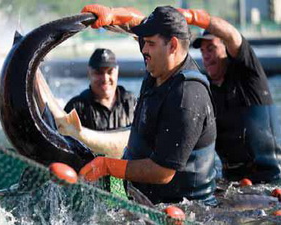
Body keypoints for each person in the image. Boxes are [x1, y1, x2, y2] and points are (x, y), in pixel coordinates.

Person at [42, 5, 217, 205]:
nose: (143, 49)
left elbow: (162, 172)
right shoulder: (160, 63)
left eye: (150, 43)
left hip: (179, 207)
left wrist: (107, 166)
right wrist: (112, 14)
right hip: (138, 192)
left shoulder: (187, 96)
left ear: (173, 46)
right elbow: (138, 23)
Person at [178, 8, 281, 183]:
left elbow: (233, 35)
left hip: (271, 177)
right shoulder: (206, 91)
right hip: (232, 181)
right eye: (203, 52)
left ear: (227, 49)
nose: (206, 57)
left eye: (211, 49)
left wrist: (192, 17)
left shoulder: (248, 73)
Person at [64, 48, 136, 131]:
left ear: (117, 72)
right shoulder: (76, 109)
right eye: (99, 72)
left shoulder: (132, 103)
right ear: (89, 73)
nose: (105, 79)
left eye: (110, 72)